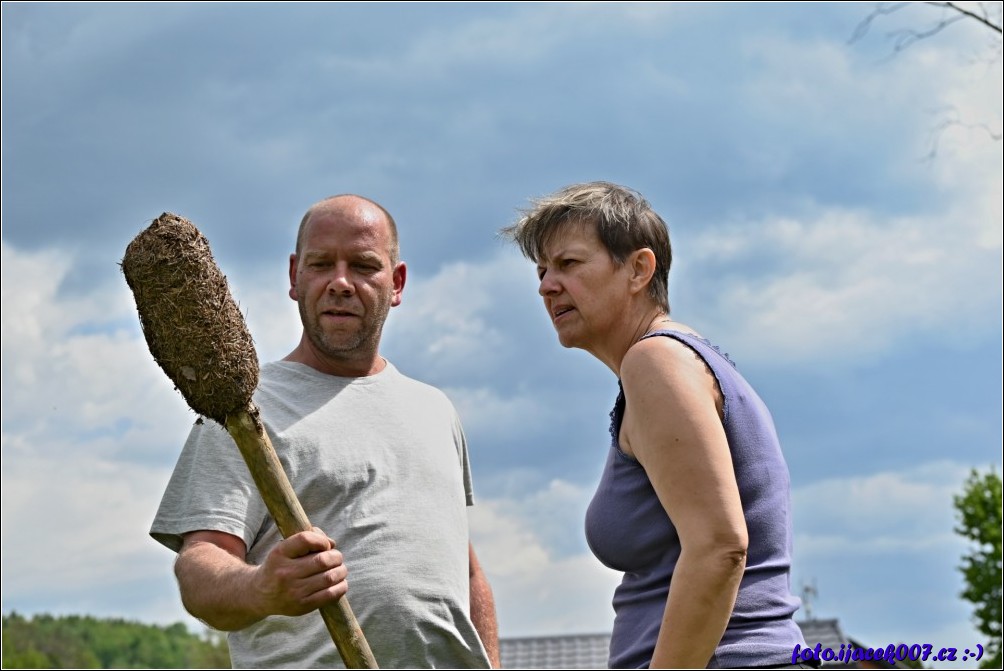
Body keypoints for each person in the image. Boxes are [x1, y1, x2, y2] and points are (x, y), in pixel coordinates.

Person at [151, 194, 500, 669]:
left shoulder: (434, 409)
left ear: (396, 283)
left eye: (363, 265)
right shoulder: (243, 409)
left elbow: (467, 573)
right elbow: (199, 567)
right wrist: (263, 589)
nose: (340, 282)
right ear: (295, 276)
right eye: (321, 264)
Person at [501, 182, 808, 669]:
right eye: (541, 271)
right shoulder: (678, 363)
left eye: (568, 264)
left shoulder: (657, 361)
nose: (545, 285)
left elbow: (719, 547)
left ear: (639, 269)